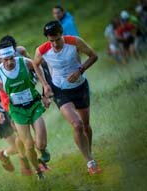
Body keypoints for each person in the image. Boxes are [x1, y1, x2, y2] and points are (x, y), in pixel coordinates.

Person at [32, 20, 101, 175]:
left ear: (61, 34)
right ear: (47, 39)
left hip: (80, 86)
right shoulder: (42, 50)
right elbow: (35, 64)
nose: (55, 44)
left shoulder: (74, 42)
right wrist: (44, 84)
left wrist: (80, 70)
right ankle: (90, 162)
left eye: (57, 39)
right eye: (51, 41)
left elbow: (93, 56)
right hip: (60, 90)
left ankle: (88, 153)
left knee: (86, 126)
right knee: (77, 125)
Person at [0, 35, 50, 164]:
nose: (10, 62)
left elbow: (36, 66)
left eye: (12, 57)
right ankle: (31, 165)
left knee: (38, 142)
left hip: (31, 100)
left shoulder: (22, 56)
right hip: (12, 104)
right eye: (6, 59)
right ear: (1, 57)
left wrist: (42, 87)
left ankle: (40, 152)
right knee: (26, 142)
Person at [0, 85, 33, 176]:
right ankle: (4, 155)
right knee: (17, 147)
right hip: (1, 119)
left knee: (25, 141)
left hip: (14, 113)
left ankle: (27, 168)